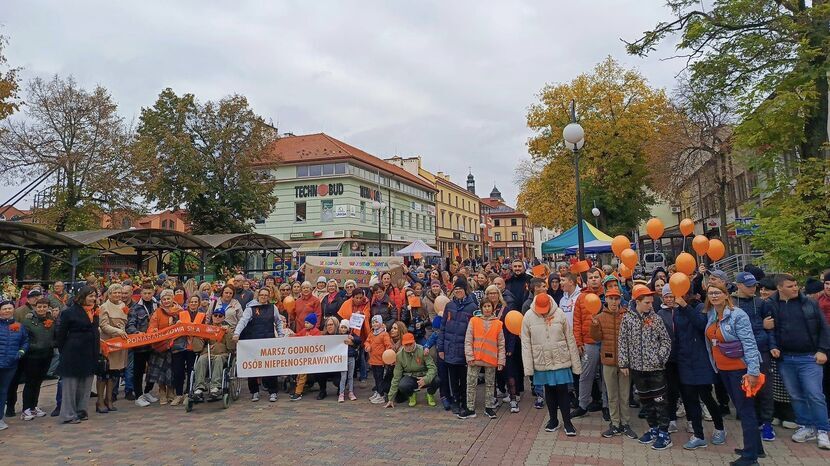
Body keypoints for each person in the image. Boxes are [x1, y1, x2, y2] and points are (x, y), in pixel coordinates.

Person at [766, 274, 830, 450]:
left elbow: (824, 328)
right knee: (795, 395)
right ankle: (806, 426)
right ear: (780, 288)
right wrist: (772, 345)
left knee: (815, 394)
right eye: (790, 286)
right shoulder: (772, 304)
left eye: (796, 285)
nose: (795, 288)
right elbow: (770, 330)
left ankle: (823, 430)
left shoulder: (809, 303)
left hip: (809, 357)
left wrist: (823, 350)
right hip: (786, 358)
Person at [704, 282, 764, 465]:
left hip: (740, 370)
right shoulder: (712, 314)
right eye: (711, 293)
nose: (714, 296)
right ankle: (756, 448)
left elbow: (749, 343)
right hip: (723, 370)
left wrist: (753, 371)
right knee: (742, 408)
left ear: (726, 294)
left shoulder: (738, 315)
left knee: (746, 411)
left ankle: (750, 457)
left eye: (717, 293)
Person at [618, 285, 673, 450]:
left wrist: (659, 358)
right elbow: (622, 342)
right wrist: (624, 363)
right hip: (637, 369)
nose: (651, 305)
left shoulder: (656, 319)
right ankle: (653, 428)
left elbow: (666, 341)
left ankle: (664, 432)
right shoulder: (627, 319)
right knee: (646, 401)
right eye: (647, 302)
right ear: (637, 302)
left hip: (655, 369)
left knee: (660, 401)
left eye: (651, 302)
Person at [672, 285, 727, 450]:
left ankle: (719, 428)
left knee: (707, 397)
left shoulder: (700, 307)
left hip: (701, 360)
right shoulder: (677, 311)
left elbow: (702, 324)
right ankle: (698, 435)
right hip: (684, 360)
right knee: (690, 400)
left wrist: (685, 306)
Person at [521, 293, 580, 435]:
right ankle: (553, 420)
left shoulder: (559, 314)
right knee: (549, 391)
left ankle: (567, 422)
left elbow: (570, 338)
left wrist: (576, 364)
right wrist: (528, 367)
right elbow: (525, 343)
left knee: (563, 390)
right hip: (542, 360)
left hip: (561, 358)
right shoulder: (528, 316)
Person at [732, 271, 775, 441]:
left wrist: (772, 345)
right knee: (746, 390)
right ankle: (753, 421)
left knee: (765, 388)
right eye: (749, 285)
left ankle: (767, 424)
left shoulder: (761, 303)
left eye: (754, 285)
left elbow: (771, 327)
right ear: (739, 285)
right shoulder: (732, 303)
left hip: (761, 350)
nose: (753, 288)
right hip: (740, 352)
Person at [590, 288, 637, 439]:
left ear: (620, 299)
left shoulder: (627, 315)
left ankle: (625, 423)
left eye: (616, 299)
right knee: (611, 395)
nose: (614, 302)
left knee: (624, 394)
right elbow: (596, 338)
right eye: (611, 299)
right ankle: (615, 424)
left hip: (624, 363)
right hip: (608, 361)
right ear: (606, 300)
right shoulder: (600, 317)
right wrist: (595, 325)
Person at [55, 286, 99, 425]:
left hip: (89, 351)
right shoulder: (70, 312)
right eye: (90, 296)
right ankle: (68, 414)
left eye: (94, 296)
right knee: (71, 385)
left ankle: (81, 410)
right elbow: (61, 335)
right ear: (83, 296)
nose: (93, 298)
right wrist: (64, 350)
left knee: (85, 384)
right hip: (73, 352)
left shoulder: (94, 312)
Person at [234, 287, 283, 402]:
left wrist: (281, 336)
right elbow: (243, 321)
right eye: (262, 295)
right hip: (254, 341)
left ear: (269, 297)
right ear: (258, 296)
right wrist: (237, 333)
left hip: (269, 340)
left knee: (270, 367)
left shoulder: (273, 308)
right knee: (253, 367)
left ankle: (273, 391)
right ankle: (254, 391)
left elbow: (278, 322)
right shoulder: (250, 308)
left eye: (266, 295)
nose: (264, 297)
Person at [572, 268, 608, 420]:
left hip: (607, 342)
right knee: (586, 374)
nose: (594, 279)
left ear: (601, 279)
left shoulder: (608, 295)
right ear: (586, 281)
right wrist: (579, 342)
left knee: (607, 376)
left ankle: (607, 405)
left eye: (596, 277)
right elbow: (577, 321)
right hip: (589, 343)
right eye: (591, 277)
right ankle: (583, 404)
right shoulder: (581, 298)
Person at [437, 277, 477, 415]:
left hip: (464, 349)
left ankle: (465, 401)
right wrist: (441, 348)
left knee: (464, 378)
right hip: (450, 347)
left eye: (460, 289)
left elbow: (475, 331)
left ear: (465, 290)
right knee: (452, 378)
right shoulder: (449, 306)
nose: (458, 292)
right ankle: (455, 400)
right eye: (456, 289)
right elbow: (442, 328)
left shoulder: (472, 307)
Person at [459, 300, 505, 420]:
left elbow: (501, 344)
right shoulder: (474, 321)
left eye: (489, 306)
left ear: (493, 308)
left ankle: (489, 408)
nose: (487, 309)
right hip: (475, 358)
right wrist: (469, 356)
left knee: (490, 384)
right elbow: (468, 340)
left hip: (490, 358)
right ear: (481, 308)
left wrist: (501, 361)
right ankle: (470, 408)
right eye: (485, 306)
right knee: (471, 383)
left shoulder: (498, 324)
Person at [17, 298, 54, 421]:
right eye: (39, 307)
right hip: (32, 356)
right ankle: (26, 408)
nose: (41, 309)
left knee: (38, 381)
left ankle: (34, 406)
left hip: (46, 355)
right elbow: (25, 338)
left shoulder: (51, 320)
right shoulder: (28, 321)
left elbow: (54, 335)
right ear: (35, 307)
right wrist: (35, 346)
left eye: (44, 306)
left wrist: (51, 344)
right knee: (31, 382)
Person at [97, 284, 129, 413]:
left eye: (119, 293)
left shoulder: (123, 306)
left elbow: (124, 323)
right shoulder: (104, 307)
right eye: (114, 293)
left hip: (119, 345)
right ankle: (99, 401)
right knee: (103, 374)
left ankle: (109, 399)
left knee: (113, 375)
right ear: (109, 294)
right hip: (107, 343)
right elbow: (103, 325)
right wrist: (118, 331)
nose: (117, 295)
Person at [385, 332, 439, 408]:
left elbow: (433, 368)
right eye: (406, 345)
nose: (408, 347)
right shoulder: (399, 355)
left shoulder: (422, 350)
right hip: (411, 377)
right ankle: (411, 395)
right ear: (403, 345)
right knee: (402, 385)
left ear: (414, 342)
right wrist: (391, 399)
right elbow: (396, 377)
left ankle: (430, 394)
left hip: (424, 376)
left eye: (410, 344)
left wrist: (426, 379)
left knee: (437, 380)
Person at [146, 289, 181, 406]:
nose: (166, 301)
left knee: (171, 369)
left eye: (168, 298)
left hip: (174, 344)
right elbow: (151, 326)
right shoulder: (157, 313)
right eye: (164, 299)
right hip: (160, 345)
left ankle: (171, 391)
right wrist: (154, 331)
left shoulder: (179, 311)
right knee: (160, 371)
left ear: (173, 299)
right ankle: (162, 391)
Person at [192, 307, 236, 397]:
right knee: (201, 359)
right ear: (212, 316)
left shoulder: (229, 329)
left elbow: (231, 347)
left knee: (218, 359)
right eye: (215, 315)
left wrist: (228, 334)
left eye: (220, 316)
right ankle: (199, 387)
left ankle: (215, 386)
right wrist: (196, 335)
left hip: (222, 354)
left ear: (223, 318)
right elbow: (198, 347)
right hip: (208, 353)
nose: (217, 317)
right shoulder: (207, 328)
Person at [656, 284, 683, 434]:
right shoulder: (660, 313)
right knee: (670, 390)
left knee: (686, 389)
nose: (669, 299)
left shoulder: (682, 311)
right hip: (668, 358)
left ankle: (691, 420)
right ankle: (671, 418)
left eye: (671, 296)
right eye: (666, 296)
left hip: (684, 356)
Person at [0, 299, 28, 431]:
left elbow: (25, 341)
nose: (7, 311)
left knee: (3, 391)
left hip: (11, 364)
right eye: (4, 308)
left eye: (9, 308)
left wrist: (20, 353)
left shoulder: (18, 326)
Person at [128, 284, 157, 407]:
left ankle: (147, 391)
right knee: (139, 370)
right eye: (145, 293)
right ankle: (138, 395)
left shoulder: (157, 305)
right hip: (140, 345)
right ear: (141, 293)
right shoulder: (136, 307)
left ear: (153, 293)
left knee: (152, 369)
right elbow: (130, 325)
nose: (147, 295)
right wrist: (137, 333)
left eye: (149, 293)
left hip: (154, 343)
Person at [289, 313, 322, 401]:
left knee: (302, 375)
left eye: (308, 323)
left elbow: (320, 342)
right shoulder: (304, 331)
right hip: (303, 358)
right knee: (299, 375)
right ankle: (297, 390)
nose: (305, 324)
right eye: (305, 322)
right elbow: (298, 336)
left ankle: (298, 393)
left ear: (313, 323)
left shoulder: (316, 332)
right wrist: (292, 336)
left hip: (311, 359)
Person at [364, 315, 392, 404]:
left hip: (380, 361)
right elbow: (367, 341)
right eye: (373, 322)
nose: (375, 324)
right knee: (375, 377)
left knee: (380, 378)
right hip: (373, 360)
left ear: (380, 323)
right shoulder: (372, 333)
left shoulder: (384, 334)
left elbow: (388, 346)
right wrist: (367, 346)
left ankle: (381, 394)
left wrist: (388, 357)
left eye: (376, 322)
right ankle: (377, 392)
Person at [338, 319, 360, 402]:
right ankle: (341, 393)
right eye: (342, 327)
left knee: (350, 376)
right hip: (342, 358)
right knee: (343, 377)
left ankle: (351, 392)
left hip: (351, 357)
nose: (343, 329)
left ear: (348, 329)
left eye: (345, 328)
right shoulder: (338, 336)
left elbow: (359, 340)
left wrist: (353, 338)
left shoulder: (351, 335)